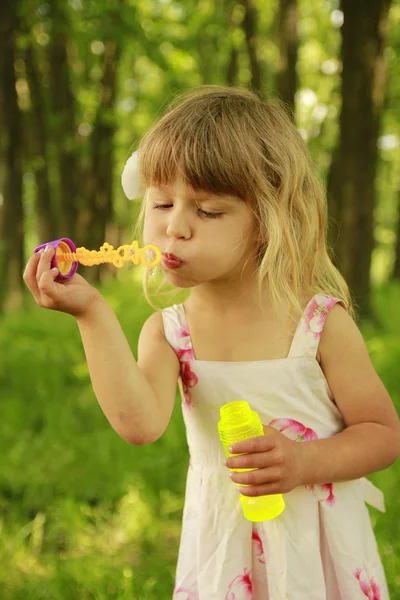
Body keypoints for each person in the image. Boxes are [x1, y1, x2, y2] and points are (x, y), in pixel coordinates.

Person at [23, 86, 400, 600]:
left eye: (208, 211)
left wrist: (304, 462)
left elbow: (382, 433)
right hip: (224, 553)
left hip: (317, 553)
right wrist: (91, 314)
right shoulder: (170, 331)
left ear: (268, 221)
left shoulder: (317, 325)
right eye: (161, 203)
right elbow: (139, 424)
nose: (175, 227)